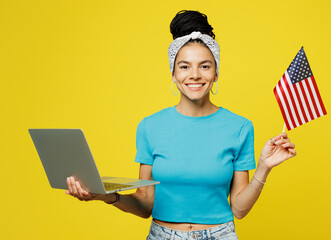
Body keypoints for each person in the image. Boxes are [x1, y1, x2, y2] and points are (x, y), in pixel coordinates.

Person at [66, 10, 296, 240]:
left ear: (216, 73)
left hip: (220, 234)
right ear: (173, 74)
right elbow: (145, 204)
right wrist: (106, 196)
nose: (194, 75)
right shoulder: (149, 127)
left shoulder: (240, 127)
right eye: (184, 67)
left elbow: (239, 209)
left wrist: (264, 167)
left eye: (205, 66)